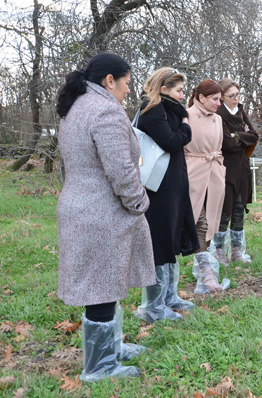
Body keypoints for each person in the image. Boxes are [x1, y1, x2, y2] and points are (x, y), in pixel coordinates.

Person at [56, 53, 155, 382]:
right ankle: (100, 367)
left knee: (103, 284)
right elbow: (121, 170)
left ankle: (109, 349)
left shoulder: (78, 105)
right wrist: (139, 201)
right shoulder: (104, 110)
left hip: (84, 206)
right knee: (100, 287)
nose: (129, 91)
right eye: (126, 83)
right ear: (109, 80)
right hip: (102, 211)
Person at [133, 68, 200, 323]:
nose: (183, 96)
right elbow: (170, 141)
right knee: (160, 241)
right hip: (157, 187)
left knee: (173, 236)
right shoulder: (153, 110)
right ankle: (153, 305)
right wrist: (186, 130)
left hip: (173, 185)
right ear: (163, 89)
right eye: (179, 90)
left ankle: (169, 295)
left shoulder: (170, 110)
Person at [186, 79, 229, 293]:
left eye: (220, 99)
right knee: (199, 221)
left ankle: (205, 275)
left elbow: (220, 145)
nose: (219, 103)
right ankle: (206, 274)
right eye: (215, 99)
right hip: (193, 172)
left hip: (214, 172)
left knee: (211, 221)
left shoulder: (219, 119)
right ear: (200, 98)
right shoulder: (186, 116)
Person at [214, 78, 259, 265]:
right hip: (225, 169)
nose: (235, 99)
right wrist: (242, 136)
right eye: (231, 96)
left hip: (242, 168)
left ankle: (237, 251)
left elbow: (255, 136)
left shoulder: (240, 111)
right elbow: (228, 143)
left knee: (239, 210)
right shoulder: (219, 114)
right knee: (225, 211)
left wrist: (238, 135)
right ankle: (218, 251)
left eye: (237, 95)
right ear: (222, 97)